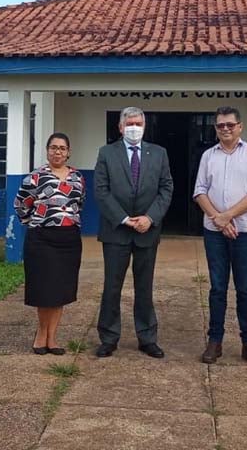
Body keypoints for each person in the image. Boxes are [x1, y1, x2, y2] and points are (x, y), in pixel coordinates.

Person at [94, 106, 174, 359]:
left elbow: (166, 188)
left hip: (147, 232)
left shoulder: (159, 153)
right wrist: (124, 219)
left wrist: (150, 218)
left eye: (138, 123)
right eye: (129, 123)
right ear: (120, 127)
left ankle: (147, 337)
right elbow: (101, 190)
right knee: (112, 288)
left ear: (144, 126)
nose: (134, 128)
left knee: (145, 287)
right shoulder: (106, 153)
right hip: (116, 231)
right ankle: (108, 337)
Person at [192, 106, 247, 367]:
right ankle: (215, 341)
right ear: (215, 128)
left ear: (240, 126)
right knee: (217, 288)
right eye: (220, 125)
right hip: (214, 232)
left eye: (230, 125)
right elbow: (200, 191)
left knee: (245, 287)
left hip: (245, 231)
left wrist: (228, 216)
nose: (225, 129)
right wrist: (219, 219)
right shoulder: (208, 156)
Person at [14, 132, 86, 355]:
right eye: (53, 147)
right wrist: (38, 223)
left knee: (61, 290)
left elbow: (79, 205)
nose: (58, 152)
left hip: (69, 240)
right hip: (41, 240)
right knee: (43, 289)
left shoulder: (77, 178)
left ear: (68, 152)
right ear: (47, 151)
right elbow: (21, 206)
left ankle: (53, 338)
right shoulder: (35, 178)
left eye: (62, 148)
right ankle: (41, 334)